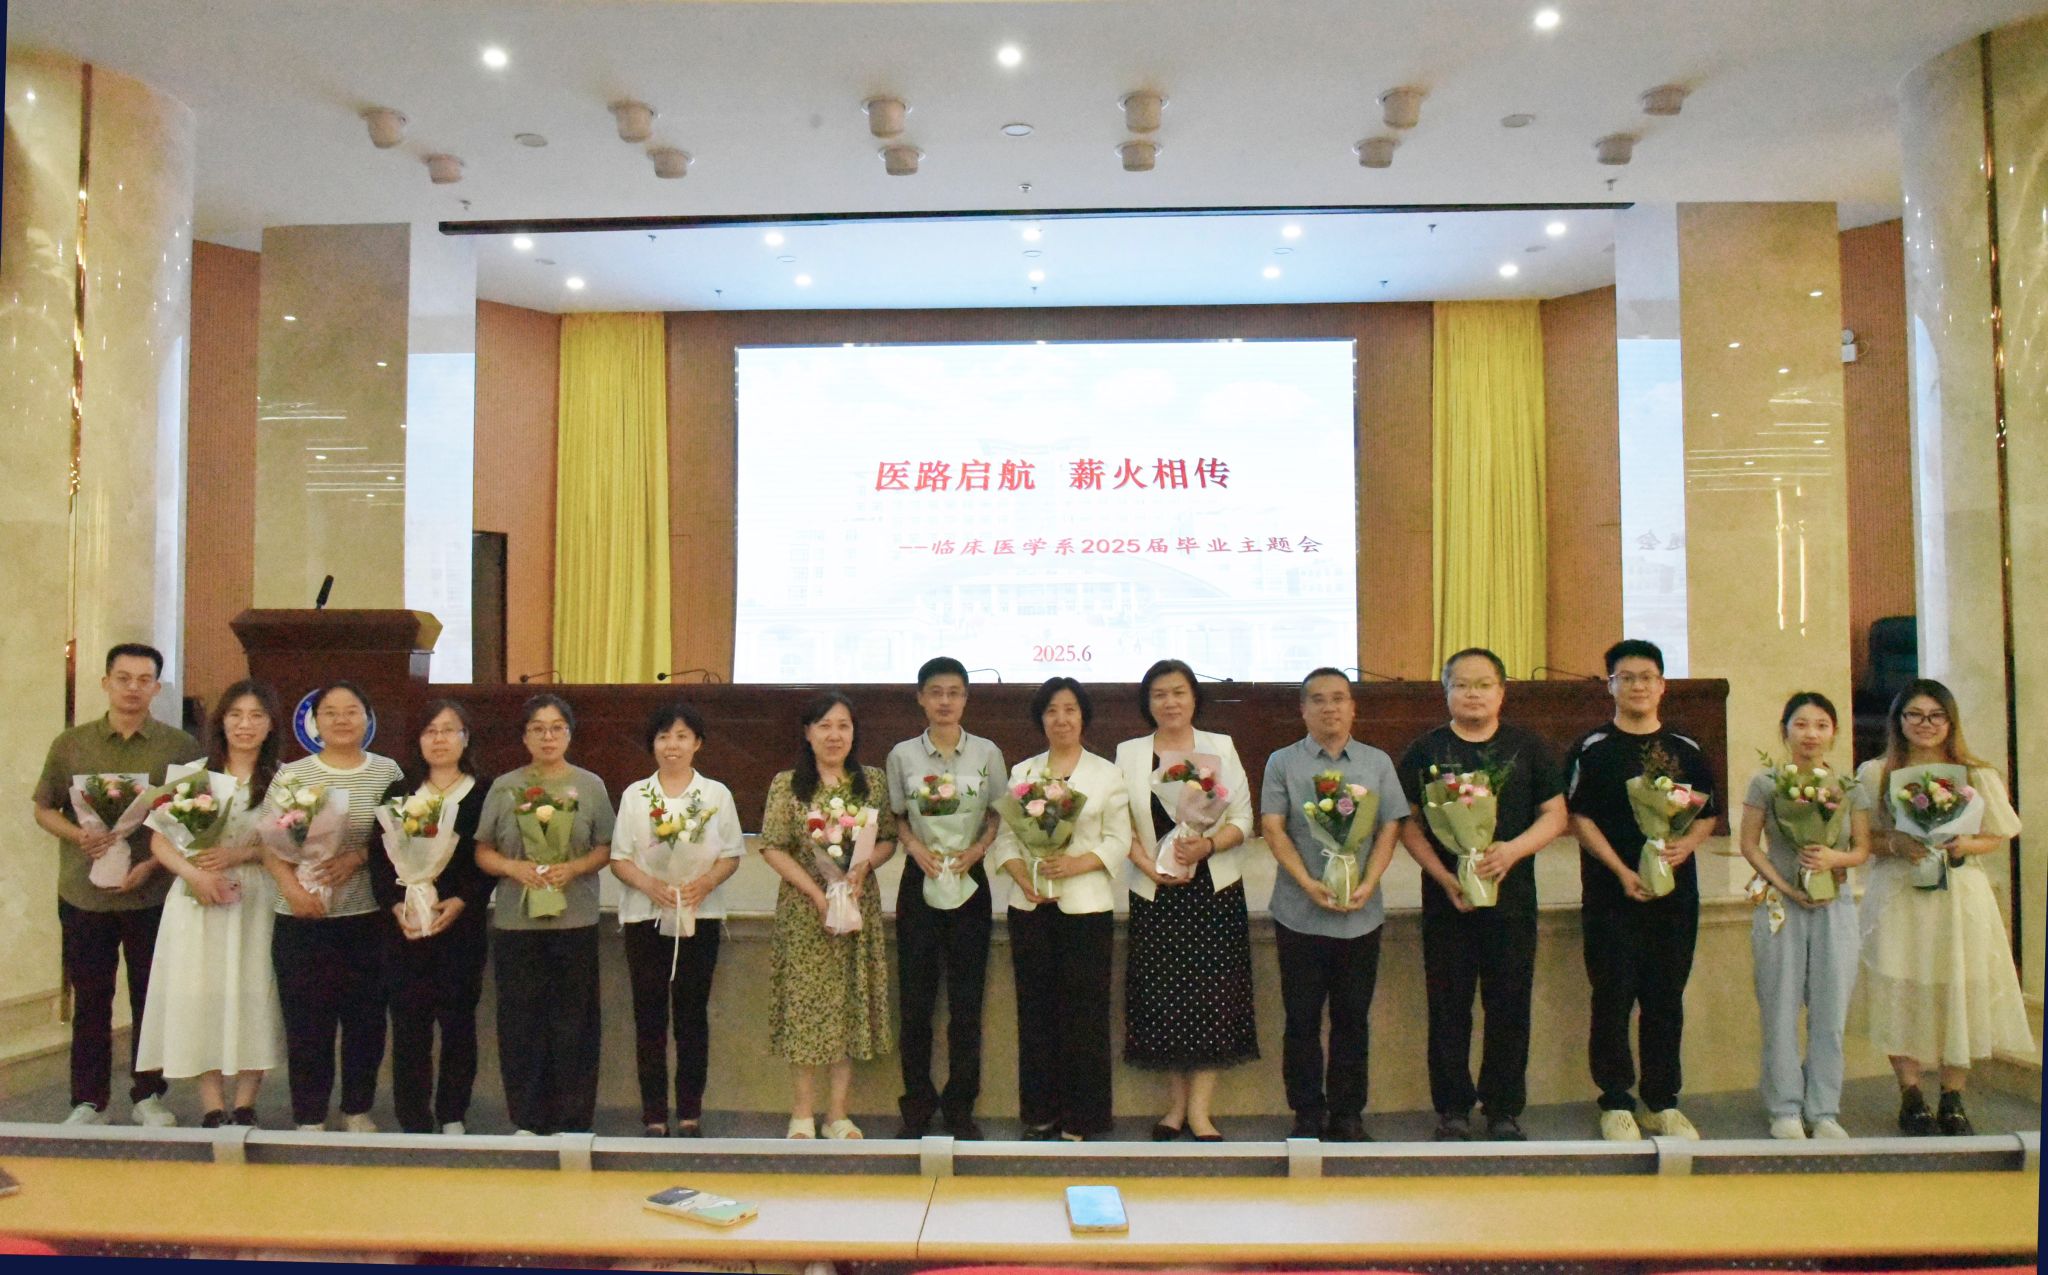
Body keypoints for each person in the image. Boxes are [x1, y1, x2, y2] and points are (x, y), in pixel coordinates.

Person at [1397, 648, 1567, 1142]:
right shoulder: (1426, 751)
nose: (1473, 694)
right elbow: (1407, 823)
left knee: (1509, 1005)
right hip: (1448, 900)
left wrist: (1512, 851)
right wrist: (1442, 875)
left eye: (1484, 684)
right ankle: (1452, 1108)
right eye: (1462, 685)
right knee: (1448, 1007)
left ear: (1502, 691)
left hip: (1512, 900)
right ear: (1446, 691)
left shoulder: (1528, 747)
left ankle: (1503, 1108)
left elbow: (1555, 815)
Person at [33, 643, 205, 1127]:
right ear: (105, 682)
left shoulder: (180, 748)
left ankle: (148, 1095)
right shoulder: (71, 744)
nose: (133, 688)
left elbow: (191, 821)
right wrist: (78, 835)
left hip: (151, 893)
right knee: (91, 1000)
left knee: (151, 997)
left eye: (144, 679)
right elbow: (44, 807)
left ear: (157, 687)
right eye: (123, 678)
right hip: (82, 893)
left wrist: (150, 865)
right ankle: (88, 1100)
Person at [1855, 679, 2031, 1136]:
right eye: (1914, 715)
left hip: (1958, 893)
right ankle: (1911, 1095)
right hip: (1900, 892)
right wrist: (1896, 843)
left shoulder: (1975, 773)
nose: (1925, 724)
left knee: (1959, 987)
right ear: (1898, 721)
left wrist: (1965, 844)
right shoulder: (1875, 773)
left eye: (1936, 716)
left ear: (1950, 722)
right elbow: (1862, 839)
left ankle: (1953, 1096)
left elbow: (1997, 834)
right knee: (1900, 986)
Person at [1562, 639, 1718, 1141]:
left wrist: (1685, 847)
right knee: (1612, 997)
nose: (1637, 686)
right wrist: (1620, 870)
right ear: (1610, 685)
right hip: (1612, 895)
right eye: (1625, 678)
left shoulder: (1686, 748)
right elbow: (1577, 817)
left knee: (1665, 998)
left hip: (1675, 897)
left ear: (1662, 685)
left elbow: (1708, 814)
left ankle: (1661, 1101)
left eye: (1646, 677)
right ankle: (1615, 1101)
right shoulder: (1592, 748)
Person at [1259, 668, 1407, 1142]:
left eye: (1339, 698)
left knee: (1352, 1020)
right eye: (1318, 700)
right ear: (1303, 709)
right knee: (1301, 1020)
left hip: (1361, 915)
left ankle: (1347, 1113)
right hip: (1298, 913)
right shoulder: (1282, 762)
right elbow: (1273, 827)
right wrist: (1306, 883)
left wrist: (1369, 881)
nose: (1330, 708)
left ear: (1352, 707)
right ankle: (1306, 1111)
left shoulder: (1377, 762)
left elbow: (1390, 827)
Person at [1115, 658, 1257, 1141]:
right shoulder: (1129, 753)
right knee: (1164, 1000)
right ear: (1147, 702)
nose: (1170, 702)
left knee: (1213, 999)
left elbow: (1243, 819)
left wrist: (1207, 846)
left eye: (1178, 692)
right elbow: (1119, 823)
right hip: (1156, 891)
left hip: (1212, 890)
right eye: (1159, 694)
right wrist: (1145, 864)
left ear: (1194, 697)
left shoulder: (1221, 746)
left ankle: (1200, 1112)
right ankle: (1174, 1108)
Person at [134, 680, 286, 1128]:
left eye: (256, 715)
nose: (245, 725)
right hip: (196, 898)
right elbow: (160, 842)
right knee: (202, 993)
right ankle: (213, 1104)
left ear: (271, 724)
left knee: (255, 990)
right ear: (221, 721)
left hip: (256, 897)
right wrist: (195, 875)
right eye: (236, 715)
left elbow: (292, 845)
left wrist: (241, 854)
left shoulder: (286, 780)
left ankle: (246, 1101)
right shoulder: (194, 774)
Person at [988, 677, 1133, 1141]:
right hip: (1030, 908)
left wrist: (1074, 864)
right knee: (1035, 1015)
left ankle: (1084, 1118)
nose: (1061, 719)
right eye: (1051, 710)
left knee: (1085, 1016)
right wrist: (1023, 877)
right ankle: (1039, 1114)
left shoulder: (1106, 773)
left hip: (1086, 908)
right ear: (1041, 719)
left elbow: (1118, 840)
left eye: (1070, 709)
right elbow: (1006, 839)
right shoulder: (1024, 771)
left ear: (1083, 716)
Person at [258, 681, 404, 1132]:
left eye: (352, 710)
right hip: (300, 918)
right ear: (315, 721)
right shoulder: (293, 774)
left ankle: (357, 1108)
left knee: (366, 1020)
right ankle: (309, 1114)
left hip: (365, 917)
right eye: (331, 712)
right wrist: (294, 891)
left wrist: (356, 858)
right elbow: (269, 845)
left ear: (367, 718)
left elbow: (400, 837)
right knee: (306, 1022)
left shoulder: (388, 772)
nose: (342, 720)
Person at [757, 692, 897, 1140]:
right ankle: (801, 1113)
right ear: (808, 733)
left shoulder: (871, 782)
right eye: (824, 726)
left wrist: (862, 868)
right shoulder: (787, 785)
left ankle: (838, 1114)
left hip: (856, 906)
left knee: (847, 1007)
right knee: (806, 1008)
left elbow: (888, 838)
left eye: (843, 726)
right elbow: (773, 846)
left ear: (854, 733)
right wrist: (818, 895)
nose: (834, 735)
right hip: (806, 912)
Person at [475, 694, 614, 1135]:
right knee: (521, 1024)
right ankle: (527, 1119)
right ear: (524, 736)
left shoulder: (590, 785)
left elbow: (607, 848)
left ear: (569, 734)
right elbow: (483, 851)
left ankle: (574, 1120)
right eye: (538, 728)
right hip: (516, 923)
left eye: (556, 728)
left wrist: (573, 868)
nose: (547, 736)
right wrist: (513, 867)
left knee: (575, 1023)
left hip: (575, 920)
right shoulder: (505, 786)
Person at [1735, 691, 1870, 1140]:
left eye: (1821, 725)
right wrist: (1786, 884)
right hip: (1780, 904)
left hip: (1835, 906)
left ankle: (1824, 1109)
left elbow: (1862, 849)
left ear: (1834, 733)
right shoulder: (1767, 783)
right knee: (1780, 1007)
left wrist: (1834, 859)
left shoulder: (1849, 786)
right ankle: (1785, 1108)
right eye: (1801, 724)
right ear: (1785, 730)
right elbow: (1750, 844)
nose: (1811, 734)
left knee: (1830, 1012)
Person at [882, 657, 1005, 1140]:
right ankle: (916, 1106)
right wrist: (915, 849)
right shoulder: (901, 755)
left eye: (954, 692)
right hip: (921, 878)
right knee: (915, 1003)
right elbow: (897, 815)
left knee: (966, 1004)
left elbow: (998, 814)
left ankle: (959, 1107)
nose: (945, 701)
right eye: (936, 692)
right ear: (920, 698)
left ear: (966, 699)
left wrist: (978, 850)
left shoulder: (988, 752)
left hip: (971, 880)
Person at [609, 701, 744, 1137]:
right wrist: (650, 885)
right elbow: (619, 858)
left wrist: (703, 884)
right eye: (664, 736)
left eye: (682, 736)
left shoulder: (716, 795)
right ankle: (653, 1115)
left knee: (692, 1017)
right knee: (649, 1018)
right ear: (652, 744)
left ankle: (689, 1113)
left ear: (697, 743)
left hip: (699, 915)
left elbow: (731, 855)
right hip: (645, 916)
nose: (673, 745)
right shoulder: (635, 795)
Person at [372, 699, 494, 1135]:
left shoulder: (484, 792)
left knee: (458, 1023)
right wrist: (395, 905)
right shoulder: (400, 793)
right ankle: (413, 1117)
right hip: (404, 927)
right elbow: (379, 858)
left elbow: (489, 859)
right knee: (409, 1025)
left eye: (448, 730)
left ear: (465, 738)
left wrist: (462, 900)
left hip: (461, 926)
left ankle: (452, 1114)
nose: (439, 739)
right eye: (430, 731)